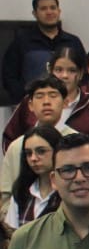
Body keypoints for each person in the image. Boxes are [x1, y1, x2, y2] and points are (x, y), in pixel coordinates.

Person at [0, 77, 74, 216]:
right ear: (30, 105)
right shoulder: (17, 146)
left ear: (65, 102)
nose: (46, 102)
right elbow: (6, 195)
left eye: (53, 95)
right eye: (39, 96)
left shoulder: (77, 142)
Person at [2, 0, 85, 103]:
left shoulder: (73, 42)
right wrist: (26, 100)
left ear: (59, 11)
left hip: (69, 104)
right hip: (32, 105)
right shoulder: (21, 42)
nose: (49, 12)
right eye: (43, 9)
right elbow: (9, 76)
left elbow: (85, 74)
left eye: (53, 8)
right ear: (35, 13)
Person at [3, 127, 58, 232]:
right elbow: (12, 234)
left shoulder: (67, 192)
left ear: (57, 151)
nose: (33, 158)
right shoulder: (21, 191)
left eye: (41, 151)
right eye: (28, 153)